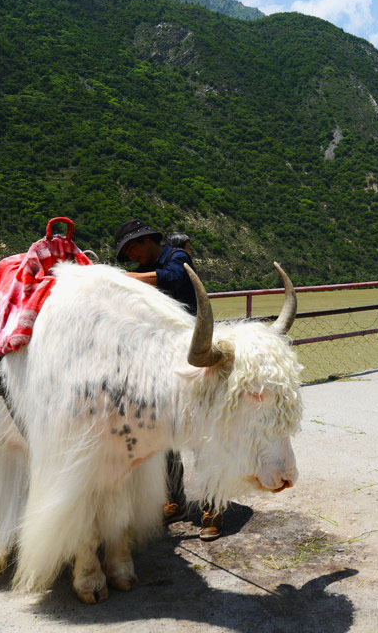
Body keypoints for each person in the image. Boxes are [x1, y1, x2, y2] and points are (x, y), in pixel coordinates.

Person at [112, 220, 223, 539]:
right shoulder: (143, 273)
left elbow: (173, 278)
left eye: (131, 247)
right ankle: (175, 501)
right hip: (160, 363)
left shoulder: (177, 258)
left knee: (202, 436)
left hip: (193, 361)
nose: (131, 254)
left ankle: (213, 508)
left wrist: (126, 280)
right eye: (127, 252)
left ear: (146, 240)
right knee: (166, 438)